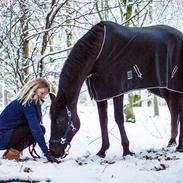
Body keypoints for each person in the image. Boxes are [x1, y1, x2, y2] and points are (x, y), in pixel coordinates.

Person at [0, 77, 59, 163]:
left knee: (39, 129)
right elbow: (36, 129)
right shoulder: (27, 104)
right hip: (2, 137)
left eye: (44, 95)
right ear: (35, 89)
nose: (42, 96)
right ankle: (12, 155)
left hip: (6, 135)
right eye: (42, 93)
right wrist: (47, 153)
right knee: (38, 129)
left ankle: (11, 154)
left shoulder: (27, 102)